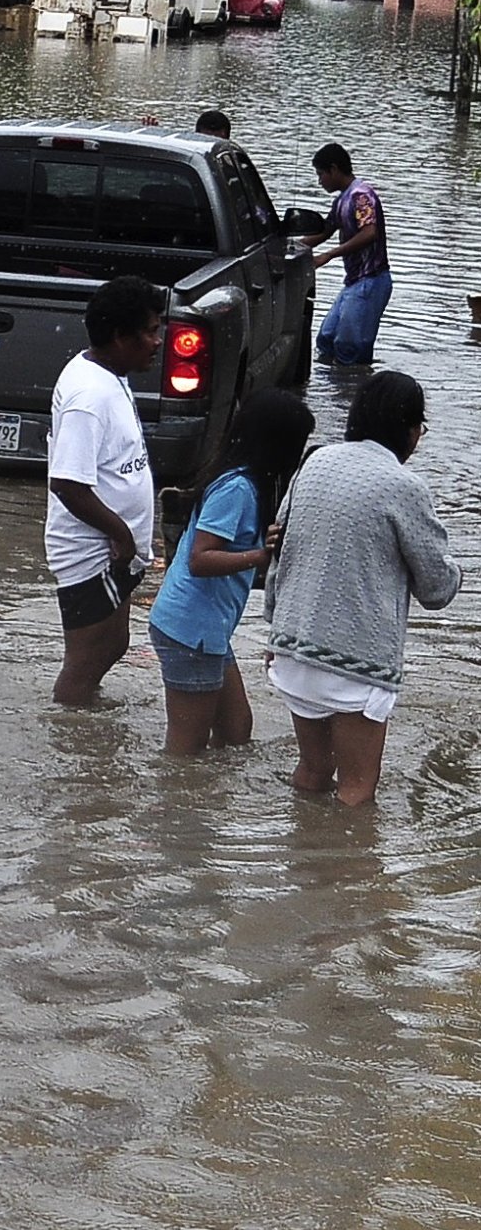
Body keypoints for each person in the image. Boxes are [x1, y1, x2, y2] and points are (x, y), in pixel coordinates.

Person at [263, 371, 460, 806]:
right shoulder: (405, 486)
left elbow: (281, 546)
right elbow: (437, 589)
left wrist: (274, 629)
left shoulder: (314, 462)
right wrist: (455, 571)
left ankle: (297, 861)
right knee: (357, 792)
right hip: (354, 667)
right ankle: (348, 872)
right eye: (420, 429)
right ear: (409, 429)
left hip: (293, 650)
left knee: (312, 772)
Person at [145, 388, 314, 754]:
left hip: (201, 629)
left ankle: (212, 808)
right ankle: (174, 807)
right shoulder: (237, 488)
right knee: (185, 754)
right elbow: (200, 559)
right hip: (190, 631)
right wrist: (259, 556)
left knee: (237, 732)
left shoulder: (243, 481)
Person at [47, 275, 166, 706]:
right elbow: (67, 483)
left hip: (113, 549)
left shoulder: (108, 373)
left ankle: (89, 723)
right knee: (85, 661)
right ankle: (71, 737)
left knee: (113, 645)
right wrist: (121, 533)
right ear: (120, 336)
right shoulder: (89, 397)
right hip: (89, 552)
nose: (158, 341)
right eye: (151, 331)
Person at [299, 142, 388, 366]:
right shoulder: (342, 200)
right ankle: (334, 392)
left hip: (371, 281)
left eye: (321, 174)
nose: (319, 181)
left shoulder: (361, 196)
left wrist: (328, 255)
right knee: (326, 340)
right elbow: (324, 231)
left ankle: (355, 393)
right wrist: (290, 246)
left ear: (334, 169)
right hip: (355, 282)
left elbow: (370, 233)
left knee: (350, 348)